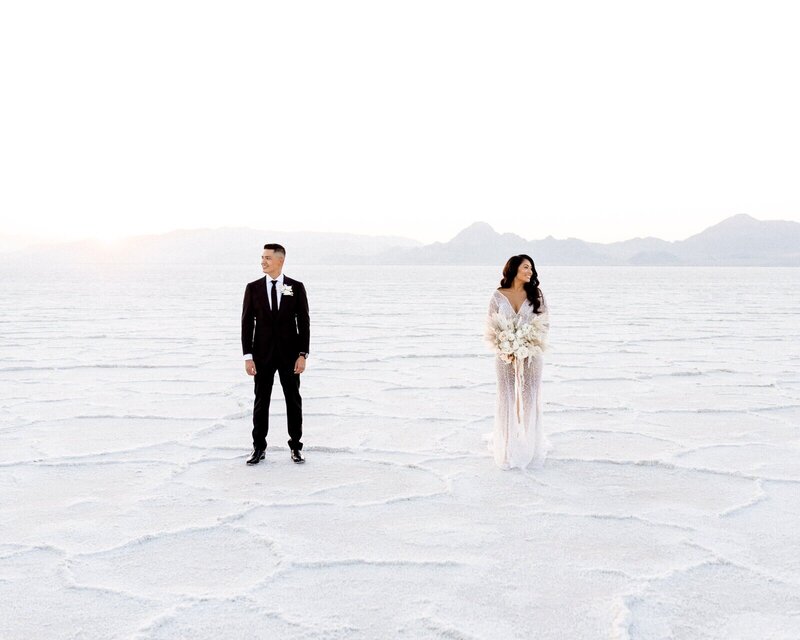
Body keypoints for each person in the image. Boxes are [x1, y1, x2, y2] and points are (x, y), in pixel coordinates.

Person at [241, 243, 310, 465]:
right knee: (261, 401)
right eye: (262, 257)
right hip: (262, 356)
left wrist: (302, 354)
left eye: (268, 258)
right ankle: (258, 447)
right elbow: (246, 325)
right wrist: (248, 356)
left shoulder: (295, 287)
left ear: (280, 261)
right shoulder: (253, 288)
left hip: (290, 356)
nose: (263, 261)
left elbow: (304, 323)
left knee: (293, 401)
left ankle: (296, 447)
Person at [486, 254, 552, 469]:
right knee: (506, 398)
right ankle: (506, 448)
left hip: (532, 354)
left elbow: (545, 324)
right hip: (504, 355)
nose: (530, 271)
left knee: (529, 398)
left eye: (531, 268)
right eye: (526, 267)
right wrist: (505, 345)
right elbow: (490, 326)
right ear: (514, 269)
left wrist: (526, 341)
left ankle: (529, 447)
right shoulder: (498, 296)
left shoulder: (536, 294)